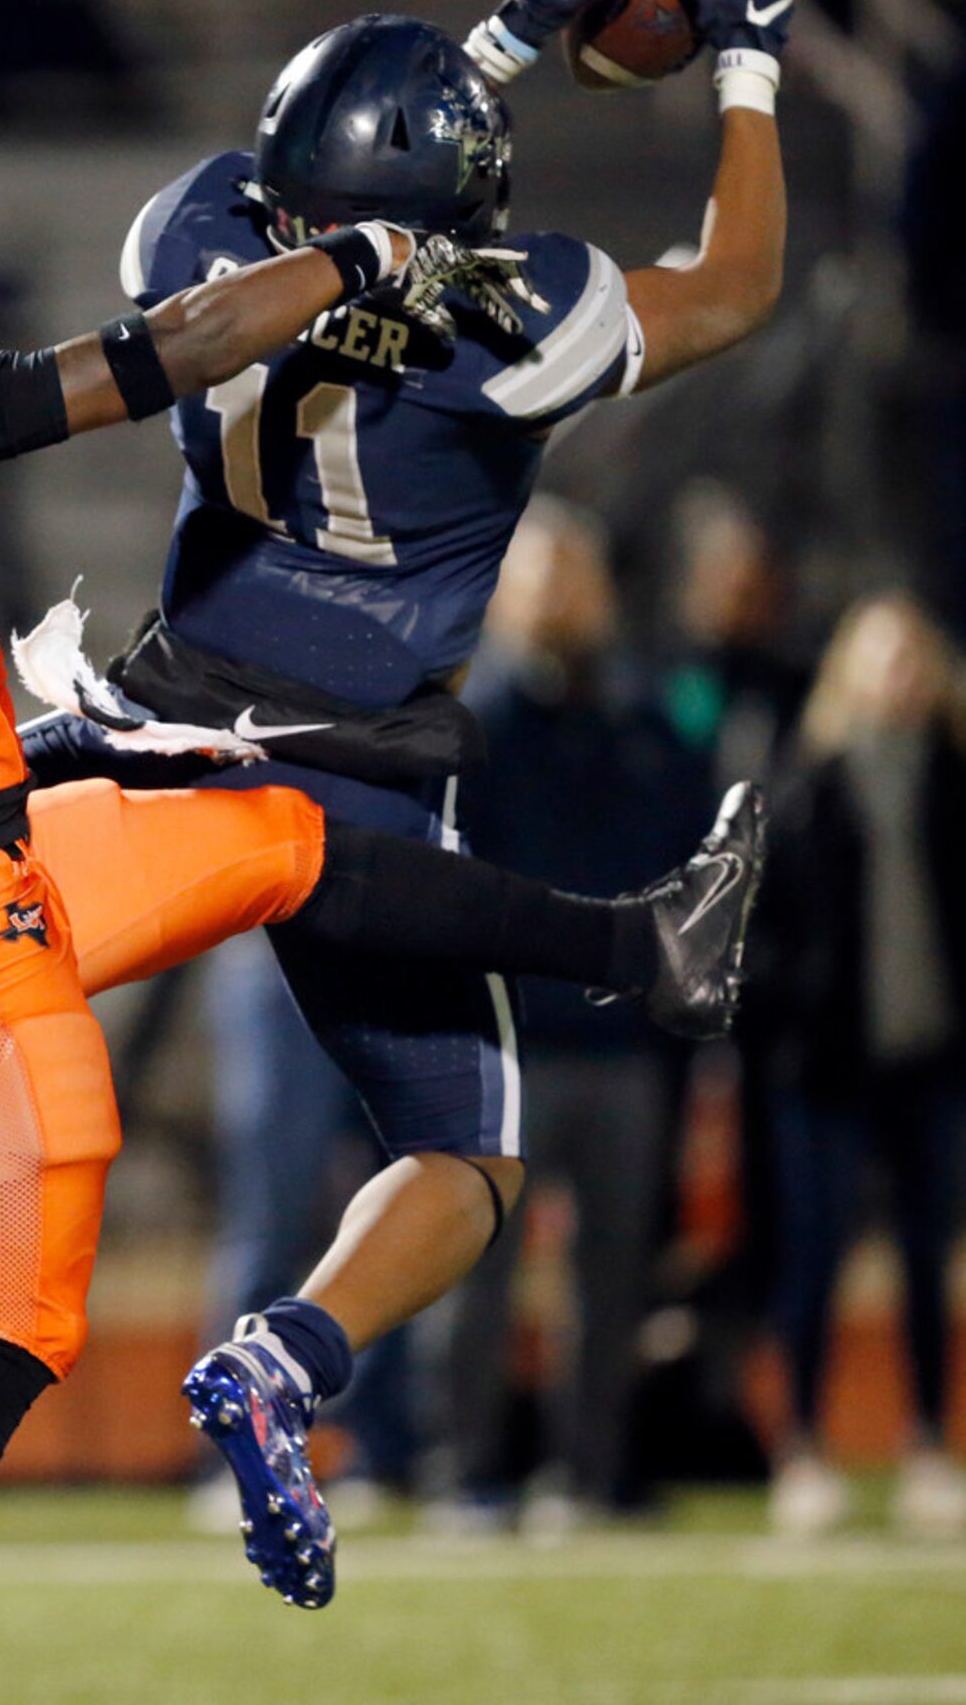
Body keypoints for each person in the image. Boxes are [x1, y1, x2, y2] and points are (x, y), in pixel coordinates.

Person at [0, 0, 759, 1705]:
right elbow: (171, 346)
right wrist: (358, 263)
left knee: (270, 833)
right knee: (11, 1329)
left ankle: (640, 944)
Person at [14, 0, 792, 1602]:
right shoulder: (514, 325)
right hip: (355, 776)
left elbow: (330, 200)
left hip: (166, 725)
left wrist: (501, 40)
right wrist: (742, 63)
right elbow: (729, 283)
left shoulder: (190, 225)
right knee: (461, 1159)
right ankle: (288, 1352)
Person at [435, 499, 707, 1533]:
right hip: (506, 1041)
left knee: (615, 1274)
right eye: (539, 574)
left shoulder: (643, 721)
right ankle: (469, 1473)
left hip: (619, 1042)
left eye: (572, 574)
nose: (558, 595)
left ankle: (591, 1472)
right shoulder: (475, 722)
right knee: (478, 1274)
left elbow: (680, 869)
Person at [750, 594, 966, 1539]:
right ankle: (801, 1448)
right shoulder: (805, 784)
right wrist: (788, 1021)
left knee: (928, 1260)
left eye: (914, 657)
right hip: (825, 1065)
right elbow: (764, 934)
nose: (899, 675)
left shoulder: (957, 784)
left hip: (931, 1057)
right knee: (815, 1254)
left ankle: (929, 1445)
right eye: (882, 657)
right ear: (850, 671)